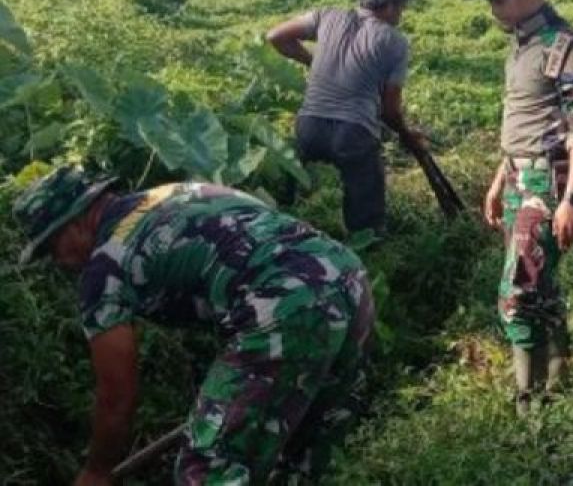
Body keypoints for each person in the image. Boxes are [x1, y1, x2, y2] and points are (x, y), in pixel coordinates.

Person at [12, 166, 374, 483]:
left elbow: (116, 397)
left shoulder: (104, 269)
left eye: (52, 247)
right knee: (302, 458)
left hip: (281, 304)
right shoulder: (174, 193)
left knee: (208, 468)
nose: (58, 261)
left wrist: (97, 471)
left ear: (76, 220)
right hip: (346, 277)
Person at [469, 0, 573, 413]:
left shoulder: (565, 49)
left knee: (517, 291)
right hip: (517, 178)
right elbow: (523, 122)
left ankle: (527, 401)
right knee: (540, 286)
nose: (493, 9)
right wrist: (497, 180)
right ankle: (558, 380)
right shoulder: (522, 46)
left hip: (548, 183)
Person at [267, 0, 422, 239]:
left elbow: (276, 36)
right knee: (366, 200)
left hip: (308, 127)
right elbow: (389, 111)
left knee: (293, 193)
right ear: (388, 5)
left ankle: (282, 228)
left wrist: (312, 61)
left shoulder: (327, 15)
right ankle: (369, 248)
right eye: (400, 8)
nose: (400, 15)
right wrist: (408, 136)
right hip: (353, 132)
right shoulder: (394, 42)